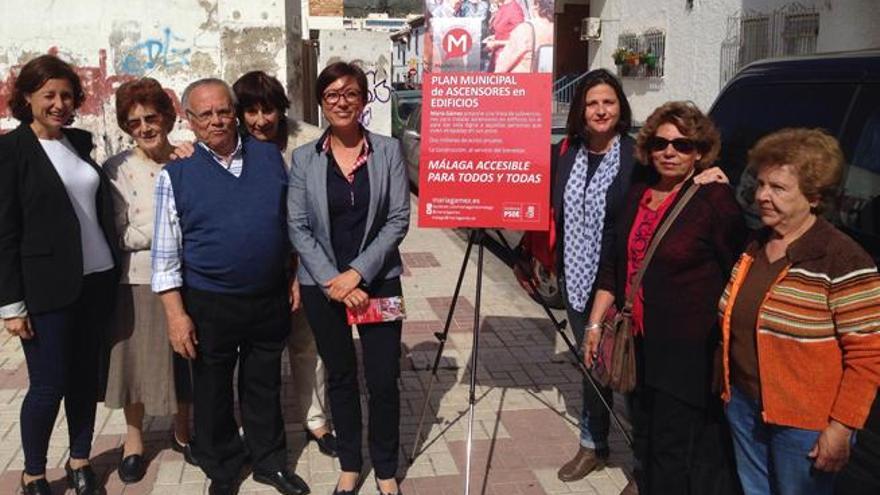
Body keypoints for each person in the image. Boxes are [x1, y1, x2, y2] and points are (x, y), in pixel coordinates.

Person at [152, 78, 309, 495]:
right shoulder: (177, 174)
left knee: (263, 384)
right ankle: (222, 467)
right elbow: (165, 255)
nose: (217, 120)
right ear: (190, 120)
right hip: (209, 302)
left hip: (268, 296)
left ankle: (269, 461)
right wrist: (175, 315)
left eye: (224, 110)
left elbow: (288, 225)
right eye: (206, 114)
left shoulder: (271, 158)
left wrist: (292, 274)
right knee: (212, 389)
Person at [585, 102, 746, 494]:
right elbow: (615, 266)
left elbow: (738, 272)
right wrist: (594, 324)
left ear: (700, 151)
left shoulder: (714, 200)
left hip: (686, 353)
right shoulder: (640, 190)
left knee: (675, 447)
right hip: (637, 343)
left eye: (682, 145)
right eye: (660, 143)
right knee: (644, 432)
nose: (669, 152)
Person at [719, 128, 880, 495]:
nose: (761, 196)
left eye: (778, 188)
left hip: (805, 423)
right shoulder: (757, 246)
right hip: (745, 406)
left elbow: (868, 356)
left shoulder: (843, 259)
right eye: (760, 184)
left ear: (814, 196)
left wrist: (841, 428)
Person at [288, 62, 410, 495]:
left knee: (381, 380)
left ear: (363, 99)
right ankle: (350, 464)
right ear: (322, 102)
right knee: (339, 375)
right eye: (332, 95)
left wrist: (357, 273)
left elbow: (397, 219)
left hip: (378, 281)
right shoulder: (305, 158)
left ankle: (386, 468)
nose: (342, 102)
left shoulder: (388, 151)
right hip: (324, 287)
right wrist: (332, 280)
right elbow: (298, 226)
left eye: (351, 93)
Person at [0, 54, 118, 495]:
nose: (59, 103)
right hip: (47, 289)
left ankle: (81, 459)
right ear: (27, 97)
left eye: (67, 95)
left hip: (97, 279)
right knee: (47, 386)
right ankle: (33, 471)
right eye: (48, 94)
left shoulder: (80, 142)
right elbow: (4, 233)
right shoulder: (10, 152)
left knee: (85, 379)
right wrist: (11, 305)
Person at [231, 70, 337, 456]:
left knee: (308, 345)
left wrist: (301, 271)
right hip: (255, 267)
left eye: (269, 109)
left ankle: (316, 419)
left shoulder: (309, 141)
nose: (261, 120)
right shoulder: (232, 144)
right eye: (251, 111)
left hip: (307, 259)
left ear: (281, 109)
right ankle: (256, 427)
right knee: (257, 354)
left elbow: (320, 212)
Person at [102, 78, 195, 483]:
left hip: (190, 277)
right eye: (133, 121)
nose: (143, 127)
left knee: (187, 359)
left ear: (169, 117)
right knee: (136, 363)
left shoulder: (190, 159)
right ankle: (134, 440)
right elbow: (120, 234)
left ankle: (183, 430)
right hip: (138, 281)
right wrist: (168, 229)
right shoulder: (117, 169)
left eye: (151, 117)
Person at [552, 69, 638, 485]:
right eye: (592, 103)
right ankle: (593, 443)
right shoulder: (567, 154)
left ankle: (646, 457)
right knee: (592, 364)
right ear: (580, 111)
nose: (601, 110)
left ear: (620, 107)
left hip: (624, 283)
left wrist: (711, 174)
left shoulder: (637, 158)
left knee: (631, 369)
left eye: (608, 102)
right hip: (577, 278)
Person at [493, 0, 553, 73]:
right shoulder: (557, 28)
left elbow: (502, 66)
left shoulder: (525, 29)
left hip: (523, 80)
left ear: (536, 4)